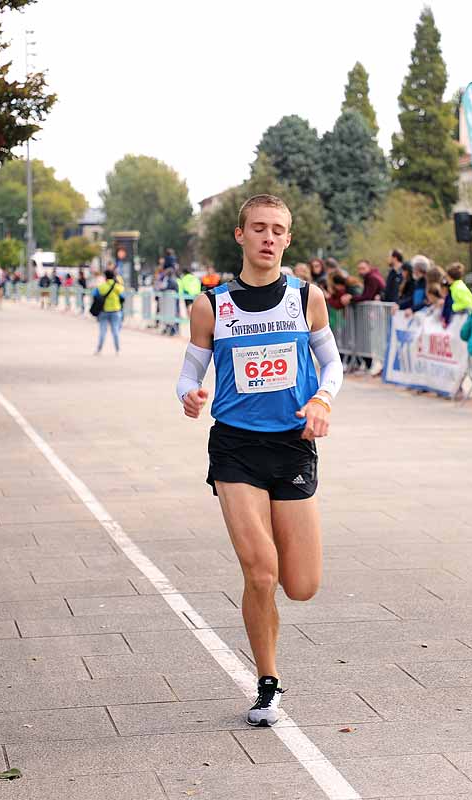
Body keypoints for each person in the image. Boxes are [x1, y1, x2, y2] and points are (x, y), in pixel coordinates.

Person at [177, 194, 340, 727]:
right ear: (240, 235)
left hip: (292, 446)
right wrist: (190, 395)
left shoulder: (306, 297)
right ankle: (268, 683)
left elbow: (332, 365)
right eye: (259, 228)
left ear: (288, 240)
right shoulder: (211, 305)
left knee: (302, 585)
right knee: (261, 571)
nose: (269, 238)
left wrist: (322, 400)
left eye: (279, 230)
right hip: (235, 448)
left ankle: (269, 660)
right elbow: (188, 373)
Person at [94, 268, 124, 355]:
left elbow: (94, 294)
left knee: (102, 331)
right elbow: (123, 296)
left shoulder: (101, 287)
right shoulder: (118, 287)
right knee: (115, 331)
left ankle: (99, 350)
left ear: (105, 277)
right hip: (116, 311)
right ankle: (118, 350)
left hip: (103, 311)